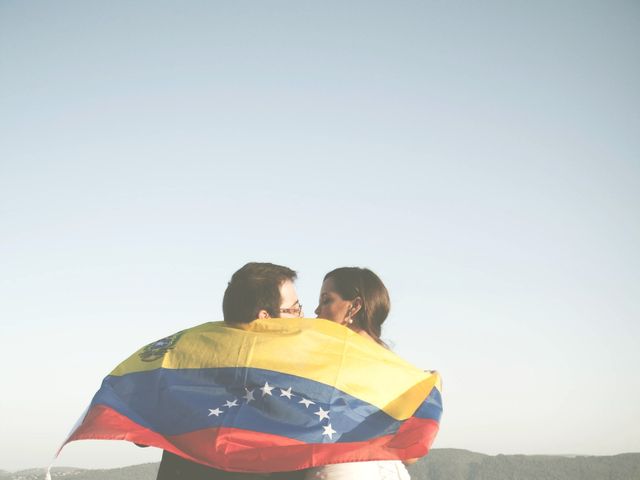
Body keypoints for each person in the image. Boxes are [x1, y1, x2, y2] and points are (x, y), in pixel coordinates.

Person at [156, 261, 305, 480]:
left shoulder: (184, 370)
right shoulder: (293, 386)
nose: (302, 317)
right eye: (295, 309)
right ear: (265, 318)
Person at [303, 267, 414, 480]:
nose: (317, 310)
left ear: (354, 307)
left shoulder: (327, 361)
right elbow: (410, 455)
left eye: (326, 301)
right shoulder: (400, 370)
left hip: (341, 470)